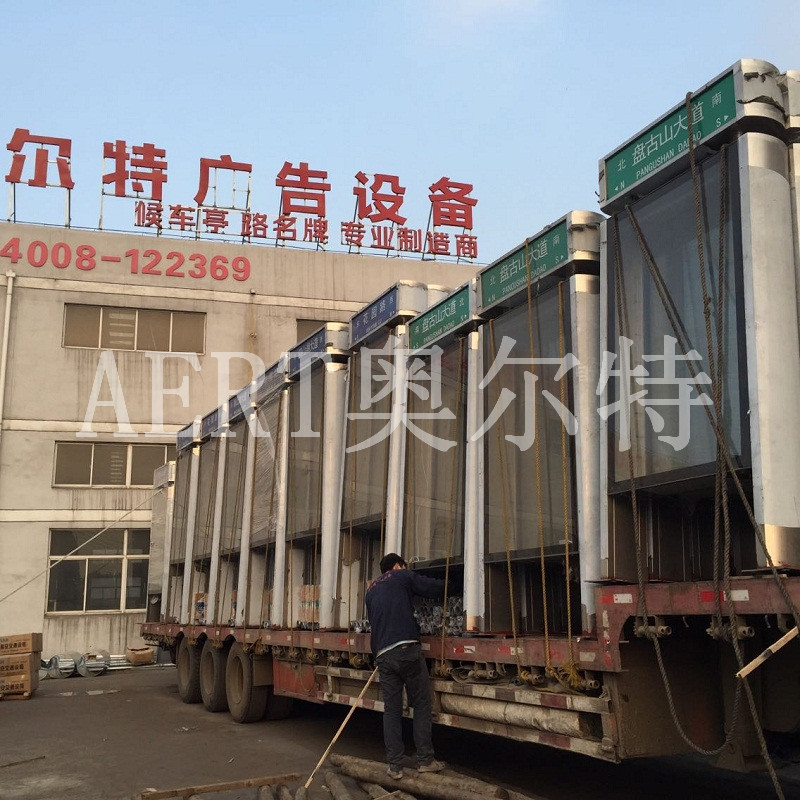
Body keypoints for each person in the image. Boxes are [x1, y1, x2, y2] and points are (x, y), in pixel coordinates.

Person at [365, 552, 446, 780]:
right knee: (421, 703)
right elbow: (431, 588)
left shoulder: (371, 590)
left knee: (392, 710)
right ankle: (425, 760)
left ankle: (395, 766)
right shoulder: (402, 576)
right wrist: (455, 583)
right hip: (406, 649)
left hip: (383, 654)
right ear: (398, 565)